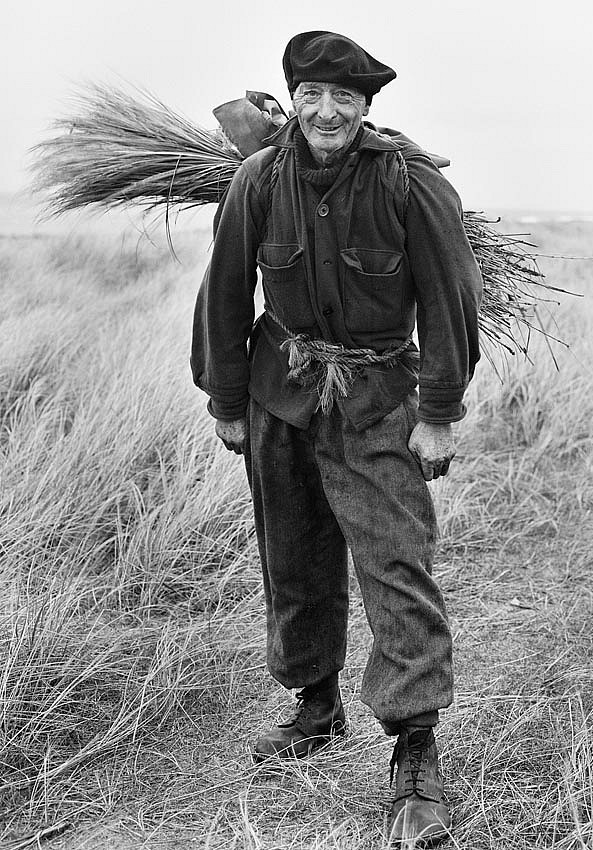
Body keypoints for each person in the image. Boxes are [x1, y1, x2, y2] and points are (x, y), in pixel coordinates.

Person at [191, 30, 483, 846]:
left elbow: (450, 297)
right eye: (312, 95)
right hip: (280, 390)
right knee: (292, 555)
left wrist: (439, 410)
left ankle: (415, 750)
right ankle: (314, 705)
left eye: (345, 99)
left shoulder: (407, 181)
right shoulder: (259, 177)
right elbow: (223, 290)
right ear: (294, 99)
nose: (327, 111)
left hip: (380, 397)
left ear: (365, 108)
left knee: (395, 561)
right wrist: (225, 397)